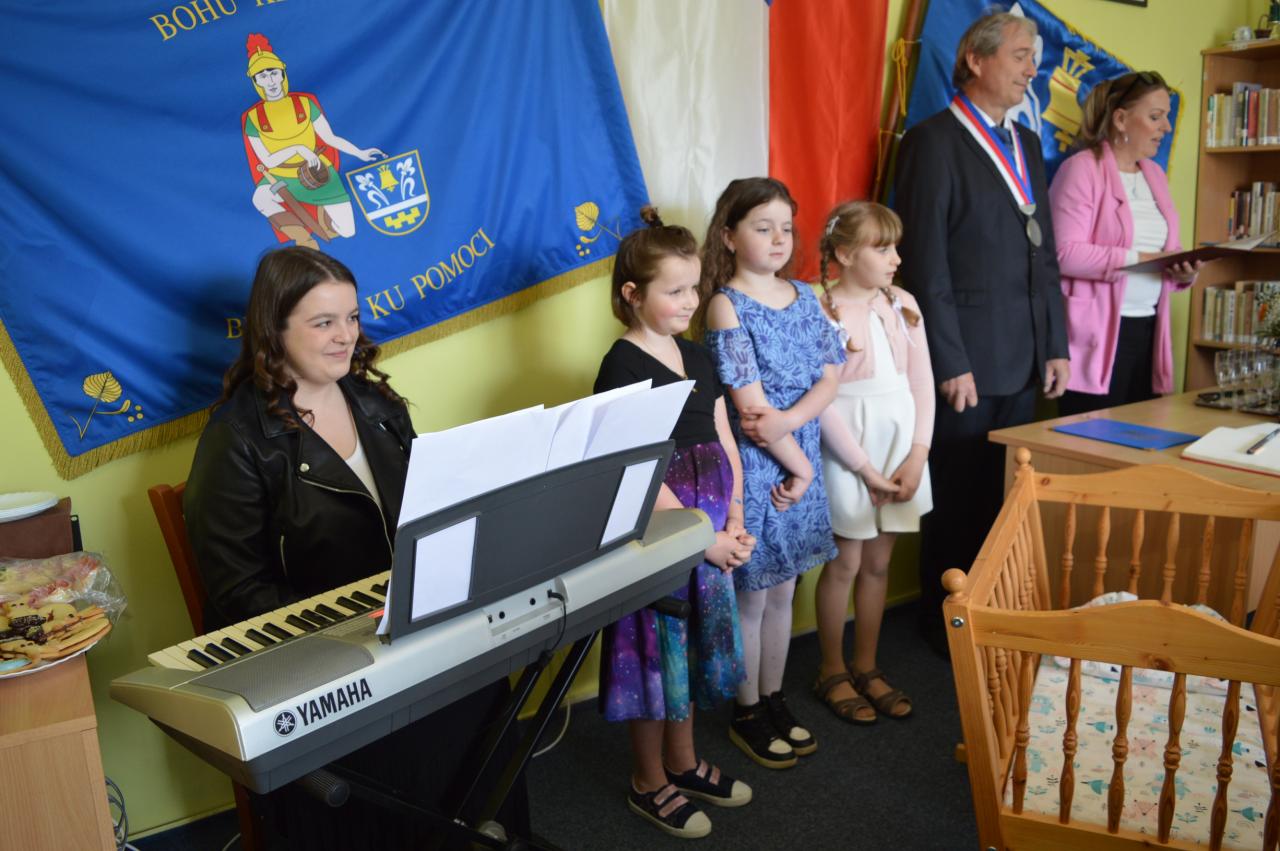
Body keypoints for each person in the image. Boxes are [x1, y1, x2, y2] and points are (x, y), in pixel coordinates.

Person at [184, 246, 528, 849]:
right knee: (414, 737)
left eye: (351, 317)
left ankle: (485, 830)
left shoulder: (376, 404)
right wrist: (355, 627)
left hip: (400, 624)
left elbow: (430, 511)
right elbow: (238, 593)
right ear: (274, 331)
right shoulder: (236, 439)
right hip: (322, 658)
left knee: (485, 682)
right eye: (324, 322)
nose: (346, 336)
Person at [893, 11, 1069, 658]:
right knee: (959, 496)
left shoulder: (1026, 142)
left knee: (1002, 497)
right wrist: (949, 360)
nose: (1032, 69)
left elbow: (1043, 253)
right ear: (975, 59)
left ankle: (991, 616)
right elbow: (925, 264)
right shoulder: (932, 141)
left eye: (1033, 57)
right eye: (1021, 55)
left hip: (1023, 355)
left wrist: (1055, 342)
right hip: (964, 358)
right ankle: (947, 629)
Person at [593, 206, 756, 839]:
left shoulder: (696, 353)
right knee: (656, 655)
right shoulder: (622, 365)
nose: (690, 301)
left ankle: (684, 764)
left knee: (687, 650)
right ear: (633, 294)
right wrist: (702, 538)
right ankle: (649, 778)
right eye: (675, 291)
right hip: (664, 531)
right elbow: (634, 468)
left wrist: (734, 514)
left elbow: (722, 433)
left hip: (712, 524)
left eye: (695, 288)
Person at [699, 177, 843, 768]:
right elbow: (753, 414)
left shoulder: (806, 295)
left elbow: (831, 375)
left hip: (798, 453)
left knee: (786, 590)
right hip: (760, 468)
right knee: (753, 597)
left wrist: (797, 431)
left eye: (786, 227)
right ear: (729, 236)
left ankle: (775, 696)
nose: (779, 238)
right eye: (763, 227)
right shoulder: (726, 305)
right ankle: (747, 709)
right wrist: (799, 465)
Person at [811, 201, 933, 724]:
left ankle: (866, 664)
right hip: (849, 449)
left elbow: (922, 384)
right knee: (846, 562)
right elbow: (822, 402)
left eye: (895, 247)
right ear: (844, 254)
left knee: (879, 563)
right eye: (882, 248)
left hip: (900, 445)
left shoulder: (903, 303)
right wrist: (863, 468)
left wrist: (918, 454)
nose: (896, 258)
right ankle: (832, 669)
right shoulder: (819, 308)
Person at [1049, 71, 1200, 416]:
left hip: (1149, 330)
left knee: (1140, 438)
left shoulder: (1155, 175)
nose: (1166, 127)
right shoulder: (1081, 169)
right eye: (1155, 116)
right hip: (1095, 336)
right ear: (1120, 120)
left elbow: (1168, 250)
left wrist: (1184, 271)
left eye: (1167, 117)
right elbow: (1063, 253)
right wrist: (1142, 259)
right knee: (1090, 440)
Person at [242, 34, 385, 248]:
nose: (270, 81)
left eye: (273, 73)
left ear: (282, 74)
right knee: (260, 198)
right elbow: (268, 160)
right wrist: (298, 149)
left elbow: (330, 138)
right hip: (280, 177)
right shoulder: (253, 118)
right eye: (262, 76)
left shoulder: (305, 103)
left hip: (318, 173)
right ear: (256, 81)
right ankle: (303, 239)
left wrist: (360, 153)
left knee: (348, 232)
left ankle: (321, 217)